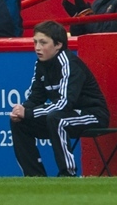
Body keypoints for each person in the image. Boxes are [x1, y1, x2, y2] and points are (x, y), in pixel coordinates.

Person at [10, 21, 110, 177]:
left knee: (57, 118)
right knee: (19, 122)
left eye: (43, 43)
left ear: (58, 45)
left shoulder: (69, 64)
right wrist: (20, 111)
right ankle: (34, 177)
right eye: (35, 42)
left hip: (92, 115)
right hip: (66, 114)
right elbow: (36, 97)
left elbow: (64, 103)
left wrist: (28, 112)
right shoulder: (41, 64)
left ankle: (67, 174)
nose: (37, 47)